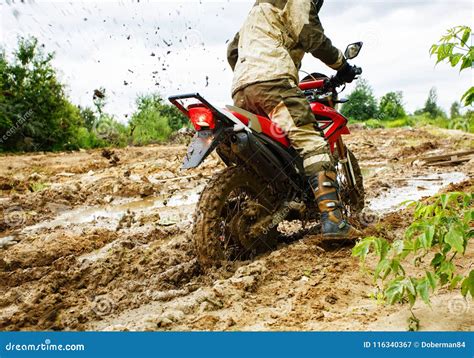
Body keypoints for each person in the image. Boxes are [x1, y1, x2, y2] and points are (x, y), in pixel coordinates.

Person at [227, 0, 361, 239]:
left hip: (240, 90)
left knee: (272, 146)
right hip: (274, 82)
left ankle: (269, 202)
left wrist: (250, 74)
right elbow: (310, 35)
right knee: (311, 141)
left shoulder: (257, 10)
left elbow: (232, 51)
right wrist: (342, 65)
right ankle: (333, 221)